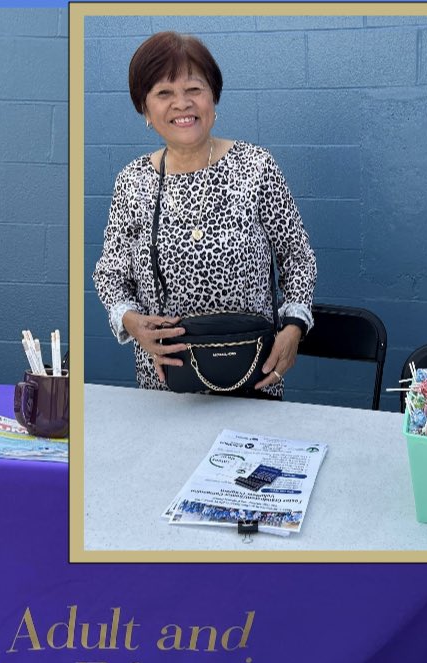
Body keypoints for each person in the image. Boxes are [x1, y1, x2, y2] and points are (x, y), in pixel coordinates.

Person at [92, 32, 317, 398]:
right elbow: (111, 276)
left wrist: (294, 328)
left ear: (213, 97)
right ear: (145, 110)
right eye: (164, 93)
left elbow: (297, 257)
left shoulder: (256, 167)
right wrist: (132, 322)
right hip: (165, 387)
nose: (182, 104)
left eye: (194, 89)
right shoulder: (132, 181)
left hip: (252, 379)